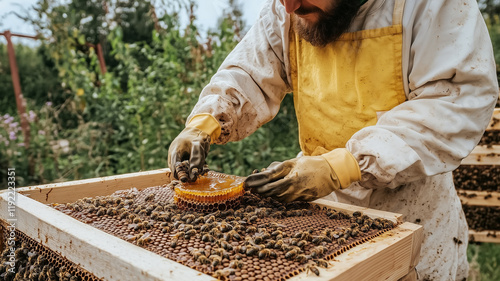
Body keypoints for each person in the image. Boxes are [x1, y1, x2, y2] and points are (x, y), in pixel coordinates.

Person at [167, 0, 498, 280]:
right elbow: (250, 73)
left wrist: (342, 165)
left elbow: (453, 101)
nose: (290, 6)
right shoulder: (290, 8)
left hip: (413, 214)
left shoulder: (430, 6)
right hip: (319, 210)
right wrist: (205, 121)